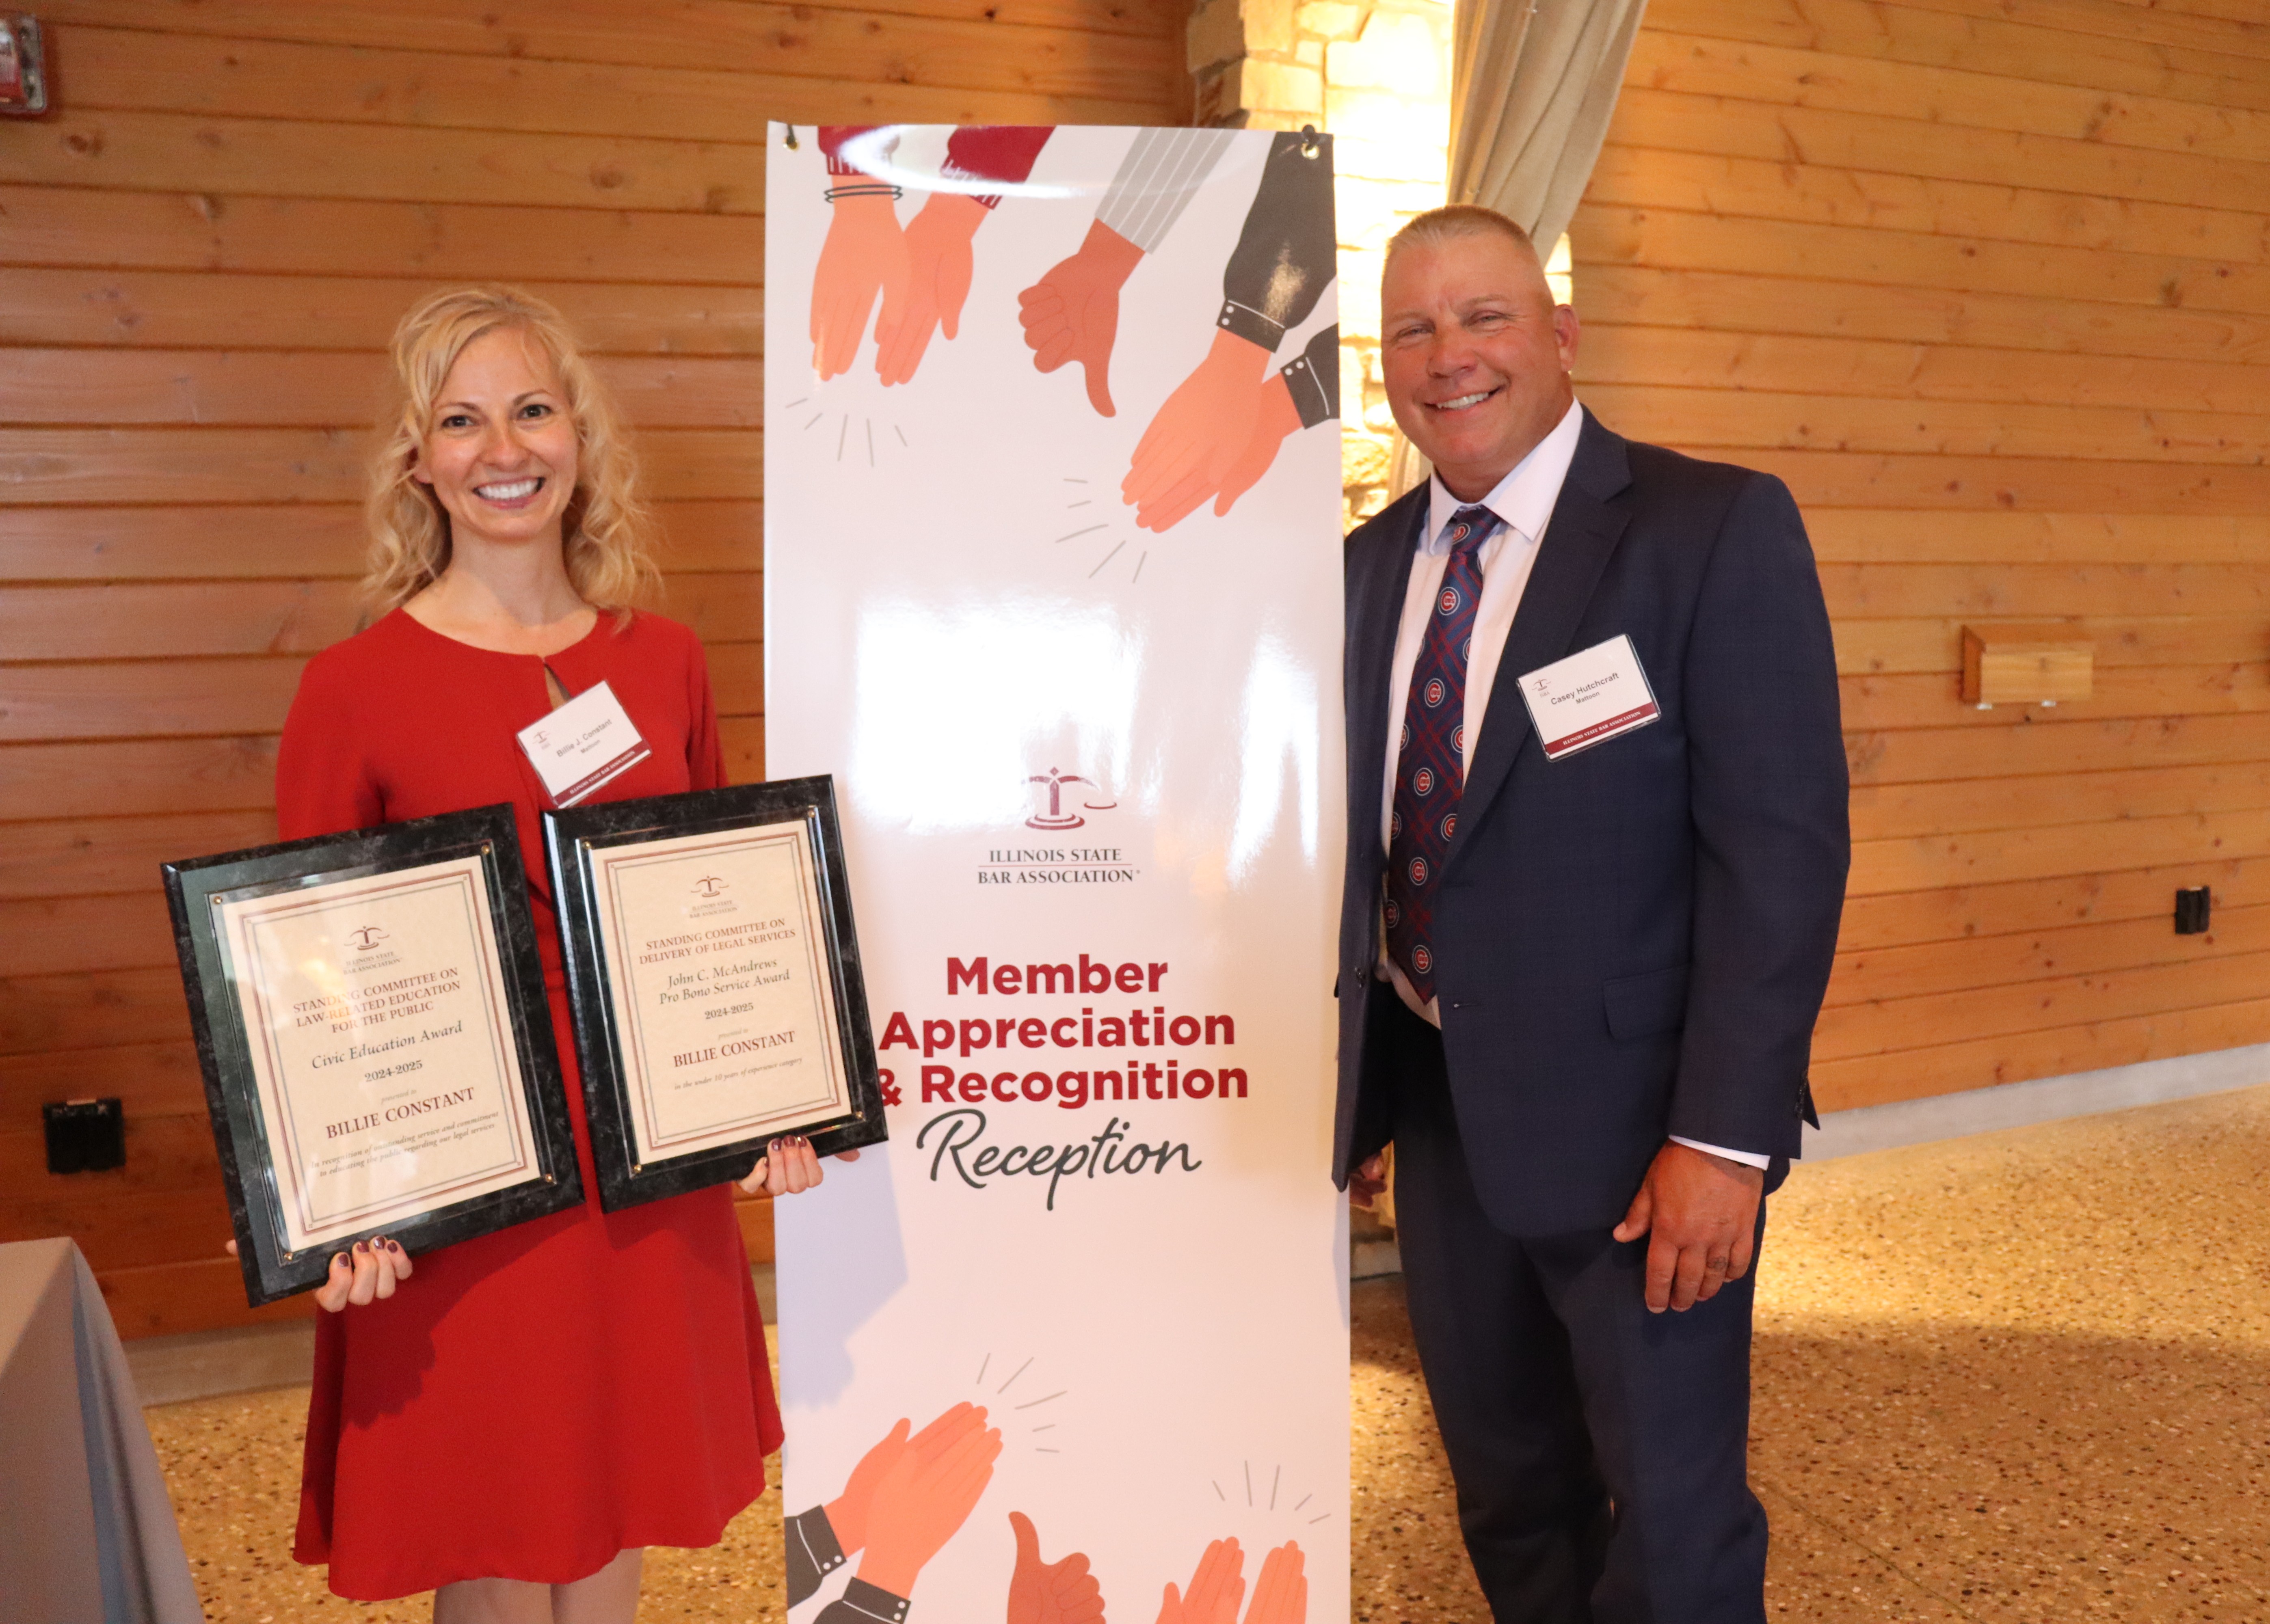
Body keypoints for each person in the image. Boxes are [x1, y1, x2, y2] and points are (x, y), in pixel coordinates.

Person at [268, 286, 834, 1623]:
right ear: (417, 462)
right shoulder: (353, 688)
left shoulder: (665, 661)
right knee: (502, 1516)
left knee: (617, 1502)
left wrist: (774, 1100)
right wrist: (341, 1205)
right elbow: (308, 983)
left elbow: (719, 914)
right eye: (460, 421)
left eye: (531, 409)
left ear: (580, 434)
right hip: (473, 1182)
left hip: (646, 1174)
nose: (503, 448)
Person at [1334, 206, 1849, 1622]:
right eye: (1413, 330)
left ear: (1561, 334)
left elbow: (1780, 858)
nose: (1450, 356)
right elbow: (1374, 849)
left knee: (1672, 1519)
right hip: (1444, 1115)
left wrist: (1723, 1141)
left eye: (1484, 316)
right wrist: (1363, 1091)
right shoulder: (1368, 569)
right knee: (1508, 1494)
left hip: (1645, 1137)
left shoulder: (1709, 529)